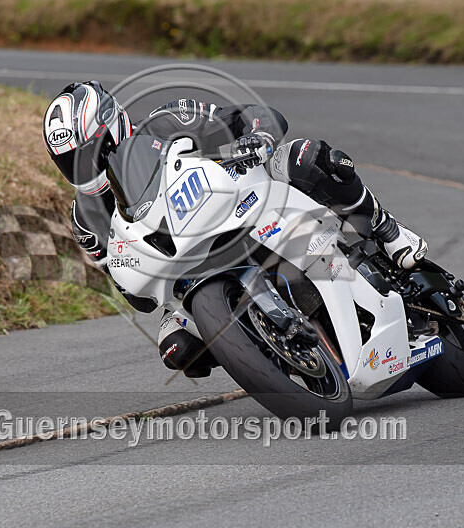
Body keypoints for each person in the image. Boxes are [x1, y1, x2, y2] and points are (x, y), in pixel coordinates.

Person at [43, 80, 428, 378]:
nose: (82, 167)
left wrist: (256, 137)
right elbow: (138, 299)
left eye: (86, 153)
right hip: (183, 270)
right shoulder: (86, 219)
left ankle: (389, 232)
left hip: (247, 198)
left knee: (303, 157)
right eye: (69, 161)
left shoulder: (166, 120)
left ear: (111, 126)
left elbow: (254, 114)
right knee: (178, 349)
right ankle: (274, 353)